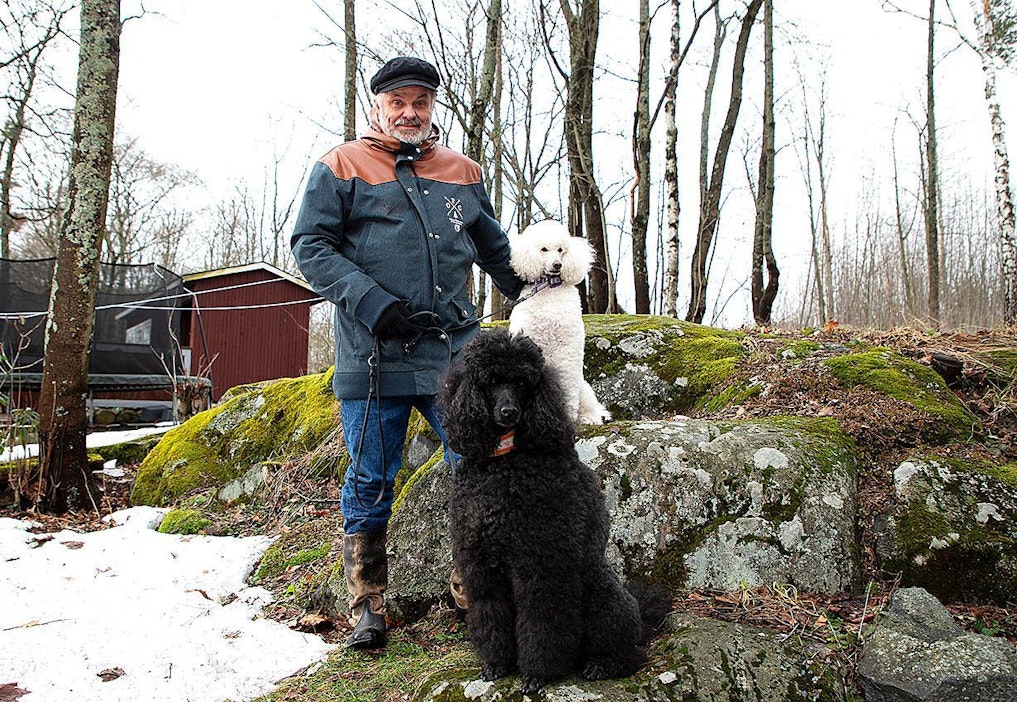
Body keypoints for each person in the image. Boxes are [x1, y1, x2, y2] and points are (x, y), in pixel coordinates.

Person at [290, 56, 523, 650]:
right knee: (371, 476)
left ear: (432, 105)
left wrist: (540, 294)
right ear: (379, 106)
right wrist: (372, 303)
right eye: (398, 102)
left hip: (454, 354)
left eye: (420, 101)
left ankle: (473, 590)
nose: (409, 112)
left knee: (479, 465)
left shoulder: (462, 171)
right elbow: (310, 247)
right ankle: (367, 604)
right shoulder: (340, 165)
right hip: (372, 355)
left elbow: (494, 247)